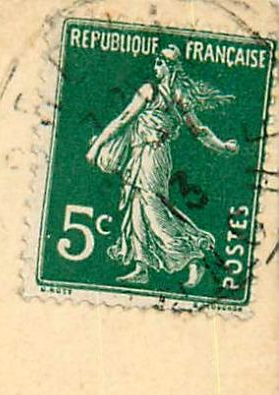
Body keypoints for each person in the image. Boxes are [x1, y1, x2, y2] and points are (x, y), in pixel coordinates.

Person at [85, 44, 240, 288]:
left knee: (152, 207)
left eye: (160, 62)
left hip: (154, 157)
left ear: (170, 68)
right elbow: (126, 118)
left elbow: (197, 130)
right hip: (141, 154)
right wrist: (224, 147)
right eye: (156, 61)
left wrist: (223, 147)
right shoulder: (163, 93)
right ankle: (141, 267)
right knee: (137, 207)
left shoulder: (167, 96)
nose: (155, 66)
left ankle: (194, 257)